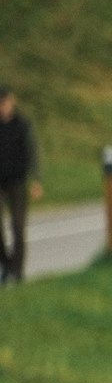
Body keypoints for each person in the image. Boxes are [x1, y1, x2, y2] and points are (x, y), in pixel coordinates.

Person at [0, 85, 38, 285]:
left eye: (6, 102)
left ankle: (17, 268)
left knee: (17, 226)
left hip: (17, 182)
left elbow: (32, 152)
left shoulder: (21, 125)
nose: (4, 107)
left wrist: (36, 179)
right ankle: (6, 265)